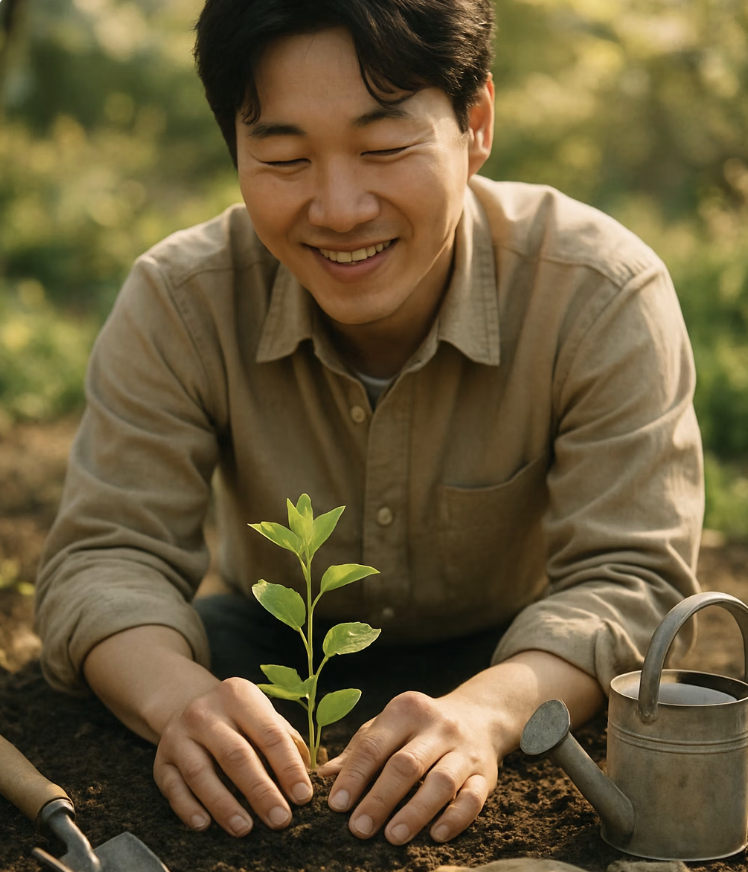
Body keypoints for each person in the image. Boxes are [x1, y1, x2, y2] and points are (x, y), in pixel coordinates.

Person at [35, 0, 704, 850]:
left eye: (385, 148)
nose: (340, 208)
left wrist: (492, 713)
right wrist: (180, 701)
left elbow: (632, 573)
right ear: (235, 151)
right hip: (272, 640)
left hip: (520, 647)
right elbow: (104, 555)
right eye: (283, 156)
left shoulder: (599, 293)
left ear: (477, 124)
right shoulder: (181, 300)